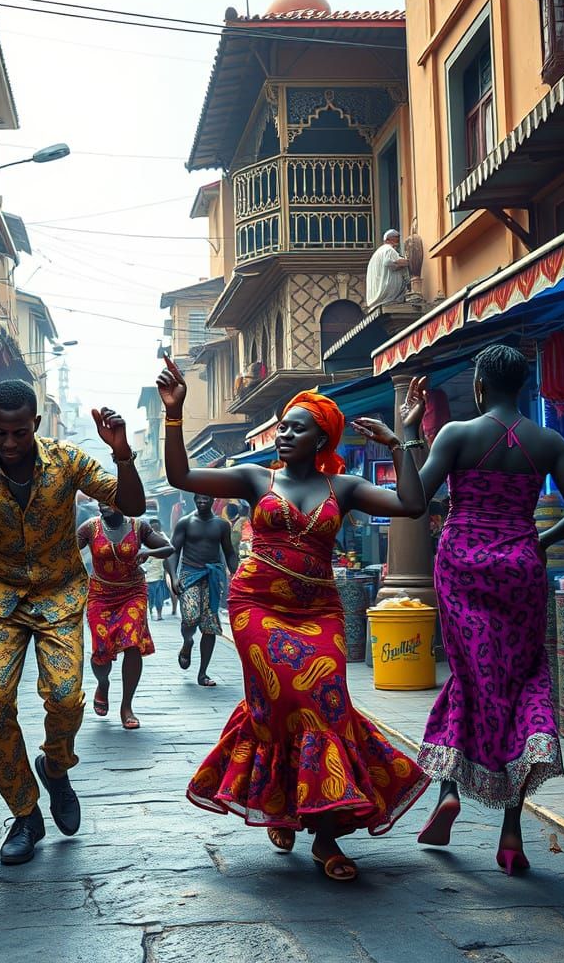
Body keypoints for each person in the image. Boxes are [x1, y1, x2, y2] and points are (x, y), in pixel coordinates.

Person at [156, 357, 430, 881]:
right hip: (256, 604)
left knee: (325, 699)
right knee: (282, 701)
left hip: (319, 609)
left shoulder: (344, 488)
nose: (283, 433)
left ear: (320, 439)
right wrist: (174, 414)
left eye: (296, 428)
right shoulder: (254, 478)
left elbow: (412, 505)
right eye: (282, 425)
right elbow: (180, 475)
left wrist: (403, 440)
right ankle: (285, 806)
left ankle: (325, 835)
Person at [0, 380, 145, 866]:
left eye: (18, 433)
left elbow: (130, 504)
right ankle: (25, 813)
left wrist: (122, 453)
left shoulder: (67, 460)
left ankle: (56, 764)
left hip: (60, 595)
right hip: (2, 600)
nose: (8, 443)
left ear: (35, 426)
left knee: (67, 697)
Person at [412, 346, 564, 875]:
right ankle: (512, 831)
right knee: (521, 680)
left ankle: (448, 790)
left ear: (477, 386)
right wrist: (539, 540)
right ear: (524, 385)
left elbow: (416, 500)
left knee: (470, 676)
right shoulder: (548, 441)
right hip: (520, 563)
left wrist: (405, 439)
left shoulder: (455, 435)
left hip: (462, 561)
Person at [77, 503, 173, 729]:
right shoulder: (90, 528)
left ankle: (127, 706)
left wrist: (148, 552)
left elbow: (169, 548)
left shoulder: (139, 527)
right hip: (100, 594)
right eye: (100, 499)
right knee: (101, 650)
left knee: (132, 643)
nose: (103, 504)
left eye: (108, 499)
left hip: (133, 592)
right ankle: (103, 683)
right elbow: (64, 553)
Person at [172, 493, 239, 687]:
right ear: (194, 499)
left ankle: (203, 674)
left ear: (213, 500)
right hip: (189, 574)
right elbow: (174, 551)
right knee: (190, 618)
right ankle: (187, 643)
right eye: (199, 498)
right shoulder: (185, 522)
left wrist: (238, 574)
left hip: (212, 575)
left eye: (206, 498)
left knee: (210, 625)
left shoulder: (222, 525)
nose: (202, 501)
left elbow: (229, 553)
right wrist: (174, 576)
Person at [366, 228, 409, 310]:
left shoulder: (378, 252)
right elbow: (389, 262)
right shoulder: (388, 249)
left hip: (376, 299)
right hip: (387, 296)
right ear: (389, 239)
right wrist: (407, 262)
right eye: (396, 237)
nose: (398, 240)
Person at [142, 518, 175, 621]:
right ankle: (151, 610)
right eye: (153, 528)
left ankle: (159, 614)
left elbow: (169, 553)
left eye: (157, 527)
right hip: (149, 570)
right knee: (150, 593)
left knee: (159, 593)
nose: (155, 530)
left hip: (160, 570)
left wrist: (170, 571)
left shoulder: (164, 539)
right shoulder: (145, 539)